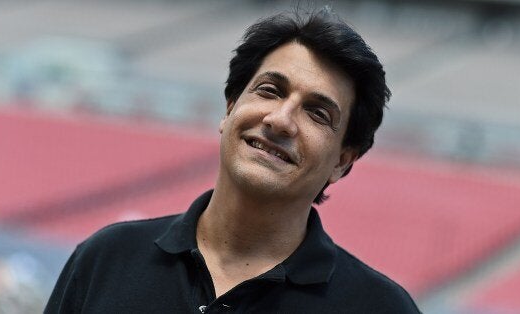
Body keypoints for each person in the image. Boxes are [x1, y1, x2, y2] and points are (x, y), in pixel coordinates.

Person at [45, 7, 421, 314]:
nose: (279, 120)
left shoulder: (381, 307)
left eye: (317, 113)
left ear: (342, 160)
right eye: (270, 90)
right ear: (230, 108)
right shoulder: (107, 258)